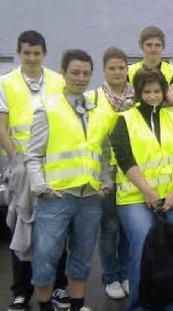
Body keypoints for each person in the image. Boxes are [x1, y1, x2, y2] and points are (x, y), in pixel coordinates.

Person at [25, 49, 113, 311]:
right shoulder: (48, 108)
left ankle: (77, 305)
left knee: (83, 259)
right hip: (57, 197)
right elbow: (33, 155)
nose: (81, 78)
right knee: (45, 258)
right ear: (63, 73)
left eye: (86, 73)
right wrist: (41, 187)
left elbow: (104, 154)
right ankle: (44, 306)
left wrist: (105, 185)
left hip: (90, 199)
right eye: (75, 72)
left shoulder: (98, 111)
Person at [0, 30, 70, 311]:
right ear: (19, 53)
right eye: (26, 53)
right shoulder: (6, 83)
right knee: (23, 227)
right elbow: (2, 127)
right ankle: (21, 291)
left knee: (56, 227)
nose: (31, 58)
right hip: (21, 166)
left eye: (36, 53)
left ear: (44, 54)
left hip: (53, 165)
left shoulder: (57, 80)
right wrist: (17, 158)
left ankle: (59, 287)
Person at [111, 68, 173, 311]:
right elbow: (125, 159)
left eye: (157, 91)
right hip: (135, 196)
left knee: (171, 250)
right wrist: (147, 191)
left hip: (171, 195)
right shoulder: (124, 120)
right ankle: (139, 305)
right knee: (143, 246)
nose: (153, 96)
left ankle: (167, 303)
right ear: (138, 93)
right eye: (147, 92)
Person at [85, 46, 134, 301]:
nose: (117, 72)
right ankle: (110, 276)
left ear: (127, 69)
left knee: (127, 227)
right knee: (110, 227)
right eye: (112, 68)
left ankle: (125, 273)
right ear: (104, 70)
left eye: (121, 68)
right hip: (106, 174)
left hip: (132, 173)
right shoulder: (93, 98)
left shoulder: (137, 97)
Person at [128, 26, 173, 107]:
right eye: (149, 45)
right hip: (136, 119)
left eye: (157, 45)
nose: (153, 49)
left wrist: (137, 99)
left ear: (163, 46)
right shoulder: (129, 71)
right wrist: (164, 96)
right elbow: (124, 100)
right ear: (140, 45)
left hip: (166, 119)